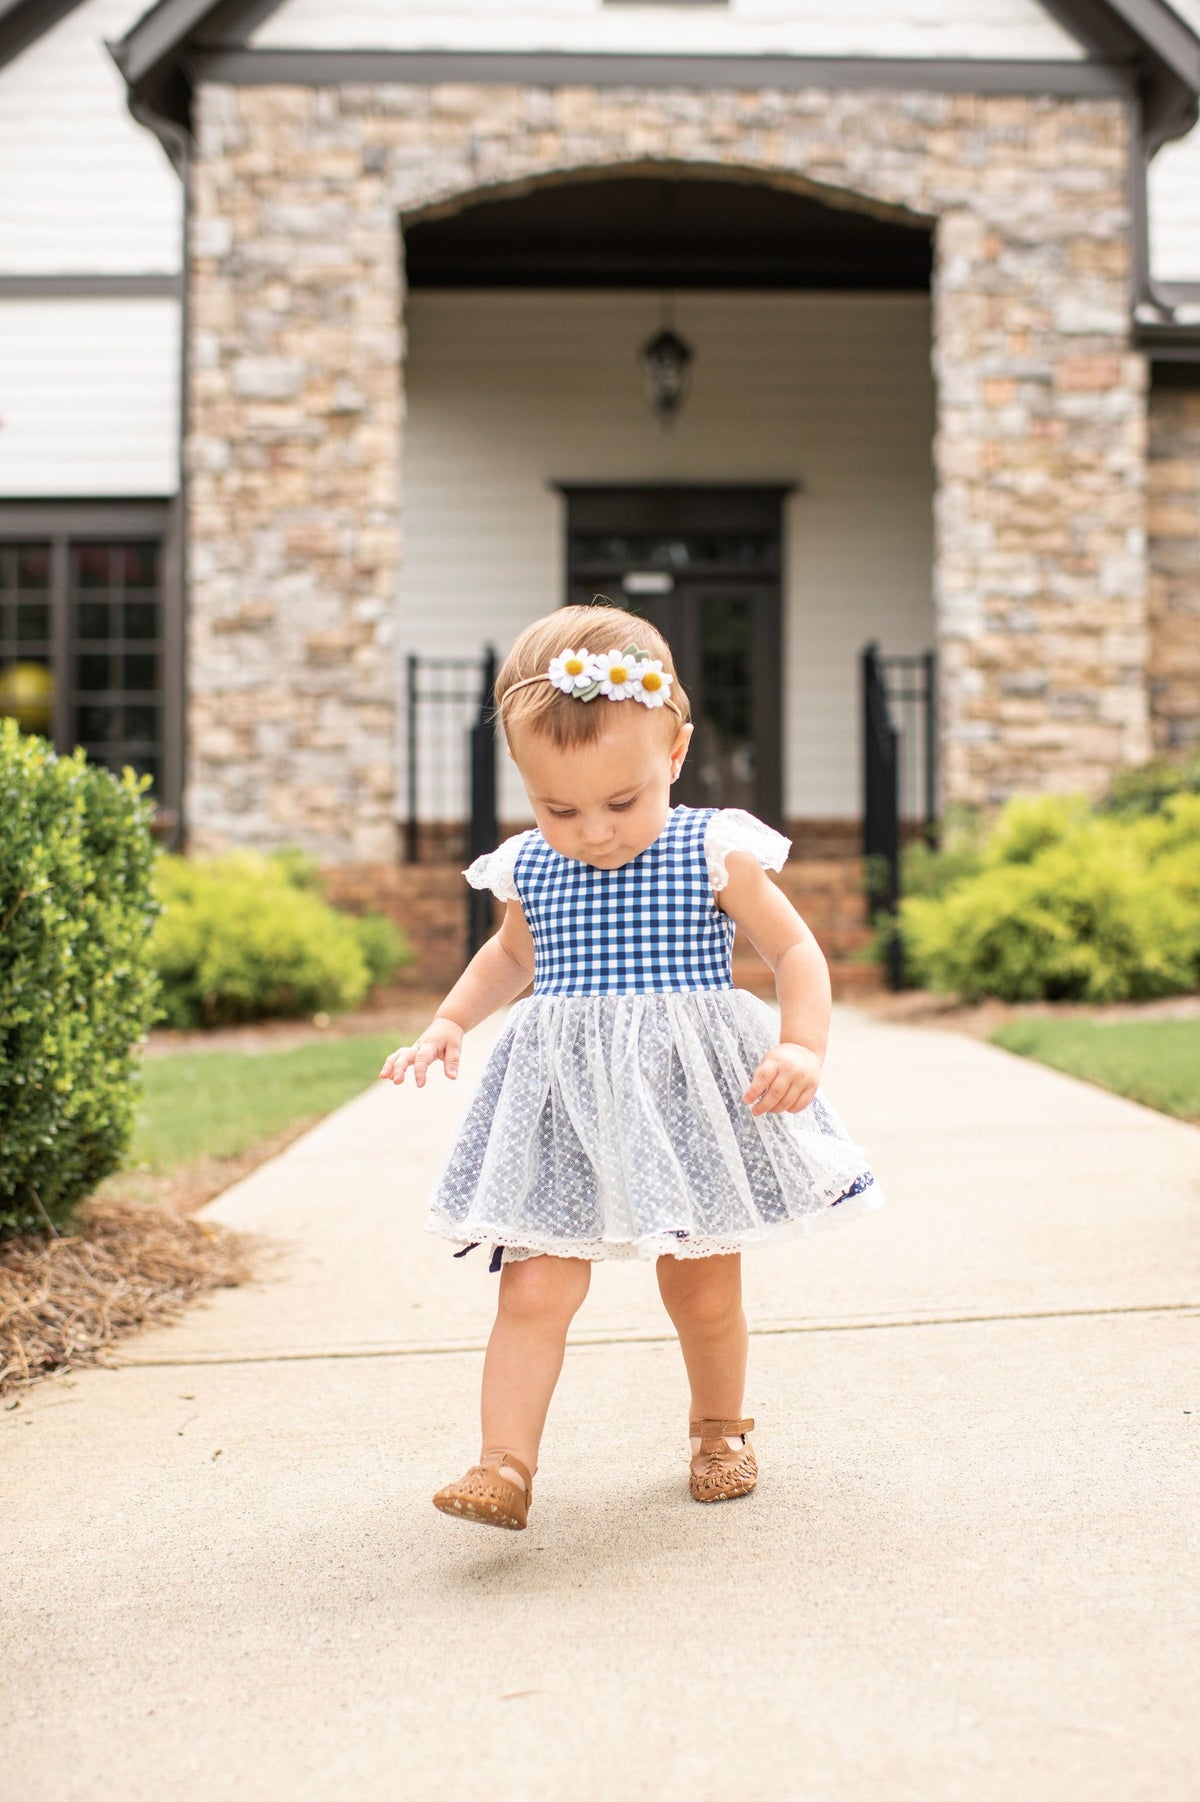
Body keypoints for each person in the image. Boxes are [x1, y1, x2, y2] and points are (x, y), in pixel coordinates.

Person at [381, 602, 883, 1530]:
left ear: (677, 753)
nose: (593, 831)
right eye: (557, 806)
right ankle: (504, 1465)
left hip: (687, 1101)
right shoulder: (531, 865)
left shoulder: (711, 850)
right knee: (534, 1284)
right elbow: (511, 959)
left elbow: (797, 953)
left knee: (700, 1284)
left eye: (622, 802)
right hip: (563, 1105)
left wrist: (802, 1044)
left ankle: (720, 1429)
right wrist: (449, 1022)